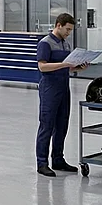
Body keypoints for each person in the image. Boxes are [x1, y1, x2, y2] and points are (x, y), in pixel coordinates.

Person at [34, 13, 88, 177]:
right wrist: (64, 64)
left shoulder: (65, 44)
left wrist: (78, 68)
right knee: (47, 125)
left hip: (64, 87)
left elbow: (66, 68)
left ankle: (58, 159)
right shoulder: (45, 43)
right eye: (67, 29)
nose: (68, 33)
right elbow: (42, 67)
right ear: (58, 25)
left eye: (70, 30)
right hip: (49, 88)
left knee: (62, 125)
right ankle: (42, 163)